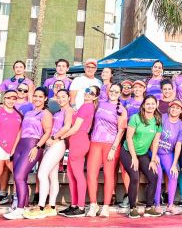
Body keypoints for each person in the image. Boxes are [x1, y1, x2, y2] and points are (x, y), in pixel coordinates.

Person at [23, 89, 74, 219]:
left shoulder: (69, 111)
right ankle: (51, 207)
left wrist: (55, 138)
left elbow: (67, 127)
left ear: (69, 98)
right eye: (59, 97)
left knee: (42, 173)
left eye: (64, 97)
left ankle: (40, 206)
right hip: (52, 144)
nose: (61, 99)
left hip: (57, 144)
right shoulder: (58, 111)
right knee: (52, 175)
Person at [3, 87, 52, 220]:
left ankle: (19, 209)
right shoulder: (29, 113)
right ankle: (22, 205)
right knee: (19, 177)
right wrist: (14, 148)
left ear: (45, 98)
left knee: (19, 176)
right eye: (35, 96)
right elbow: (20, 131)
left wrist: (37, 147)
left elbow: (47, 132)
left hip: (32, 145)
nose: (37, 99)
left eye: (40, 97)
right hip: (21, 145)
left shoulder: (45, 113)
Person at [86, 83, 127, 217]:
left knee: (109, 175)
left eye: (116, 91)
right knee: (91, 174)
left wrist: (113, 149)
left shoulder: (121, 109)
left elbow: (121, 131)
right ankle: (93, 204)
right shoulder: (100, 103)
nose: (113, 93)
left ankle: (105, 206)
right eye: (112, 90)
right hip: (95, 142)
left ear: (120, 93)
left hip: (110, 145)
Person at [119, 95, 163, 218]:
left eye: (152, 104)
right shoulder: (135, 118)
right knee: (134, 176)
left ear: (156, 105)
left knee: (153, 176)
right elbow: (129, 137)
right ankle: (132, 208)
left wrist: (153, 159)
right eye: (147, 104)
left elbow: (155, 142)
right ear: (143, 105)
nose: (150, 106)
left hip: (143, 153)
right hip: (128, 151)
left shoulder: (158, 120)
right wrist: (133, 157)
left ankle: (149, 207)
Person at [59, 85, 99, 217]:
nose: (88, 94)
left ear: (95, 96)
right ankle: (74, 204)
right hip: (75, 141)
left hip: (79, 141)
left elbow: (76, 128)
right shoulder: (85, 106)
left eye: (91, 93)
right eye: (87, 90)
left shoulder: (86, 107)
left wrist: (58, 137)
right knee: (71, 174)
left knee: (77, 174)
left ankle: (81, 207)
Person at [156, 99, 182, 214]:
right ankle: (157, 204)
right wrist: (154, 156)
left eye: (177, 108)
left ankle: (170, 205)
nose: (174, 109)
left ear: (181, 110)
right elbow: (153, 136)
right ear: (169, 108)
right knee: (157, 174)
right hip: (155, 152)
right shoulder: (162, 117)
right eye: (173, 107)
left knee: (173, 174)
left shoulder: (181, 125)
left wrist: (174, 164)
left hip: (168, 153)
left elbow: (178, 145)